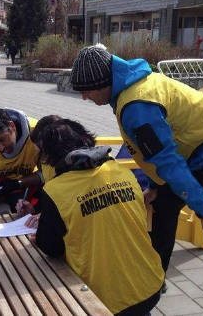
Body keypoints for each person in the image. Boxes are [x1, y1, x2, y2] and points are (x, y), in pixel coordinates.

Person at [70, 44, 203, 316]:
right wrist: (155, 186)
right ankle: (151, 285)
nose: (83, 97)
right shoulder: (129, 85)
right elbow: (161, 149)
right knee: (163, 205)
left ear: (105, 83)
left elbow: (169, 162)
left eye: (86, 90)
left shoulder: (137, 106)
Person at [33, 120, 164, 315]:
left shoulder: (56, 190)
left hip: (103, 300)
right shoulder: (121, 172)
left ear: (51, 158)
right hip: (151, 283)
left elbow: (50, 247)